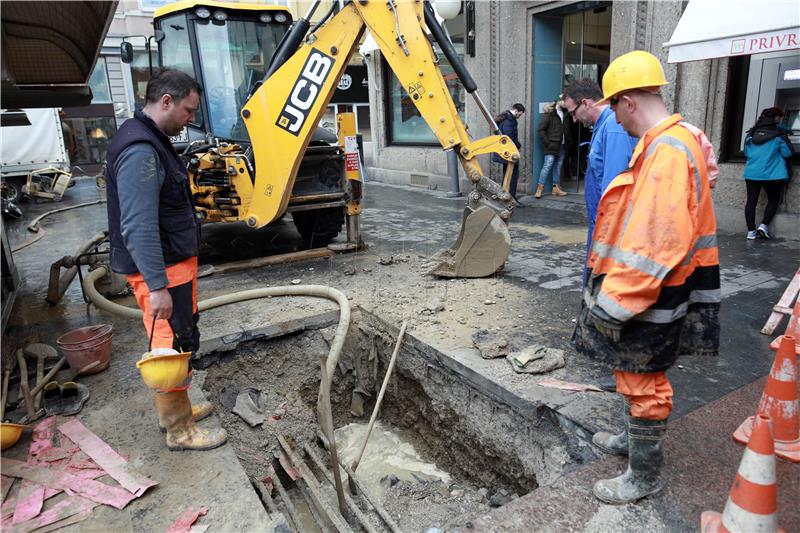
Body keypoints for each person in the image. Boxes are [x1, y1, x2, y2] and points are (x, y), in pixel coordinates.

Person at [572, 50, 720, 505]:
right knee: (634, 368)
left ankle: (645, 475)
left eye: (614, 107)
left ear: (628, 102)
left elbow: (657, 240)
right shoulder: (671, 141)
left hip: (652, 289)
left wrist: (614, 303)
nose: (614, 119)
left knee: (645, 379)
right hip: (659, 284)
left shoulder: (667, 152)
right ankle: (630, 438)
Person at [104, 69, 227, 451]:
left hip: (173, 269)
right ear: (166, 101)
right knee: (168, 346)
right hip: (162, 274)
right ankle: (178, 429)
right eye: (188, 111)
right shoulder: (141, 149)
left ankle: (179, 409)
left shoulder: (151, 140)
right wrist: (157, 287)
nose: (190, 119)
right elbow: (138, 225)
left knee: (180, 339)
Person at [564, 78, 638, 393]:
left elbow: (615, 191)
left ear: (586, 103)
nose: (572, 118)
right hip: (602, 225)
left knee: (612, 290)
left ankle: (620, 365)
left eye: (571, 111)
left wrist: (606, 242)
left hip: (611, 229)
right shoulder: (606, 127)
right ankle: (607, 350)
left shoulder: (614, 129)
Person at [742, 107, 794, 239]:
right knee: (773, 199)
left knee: (751, 202)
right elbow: (787, 153)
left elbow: (746, 153)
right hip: (772, 175)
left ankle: (751, 232)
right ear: (776, 118)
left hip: (752, 173)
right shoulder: (779, 135)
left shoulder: (751, 133)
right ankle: (763, 226)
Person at [535, 96, 568, 198]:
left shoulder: (565, 113)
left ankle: (555, 188)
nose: (566, 103)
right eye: (565, 101)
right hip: (551, 144)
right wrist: (547, 143)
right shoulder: (550, 113)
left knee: (558, 165)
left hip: (561, 145)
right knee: (547, 165)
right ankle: (539, 189)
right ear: (559, 101)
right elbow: (541, 130)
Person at [492, 103, 525, 202]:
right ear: (516, 111)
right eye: (520, 114)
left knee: (507, 174)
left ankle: (504, 196)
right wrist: (518, 145)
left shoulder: (506, 118)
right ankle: (511, 198)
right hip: (509, 152)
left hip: (506, 152)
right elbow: (509, 137)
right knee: (513, 175)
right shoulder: (509, 121)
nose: (519, 116)